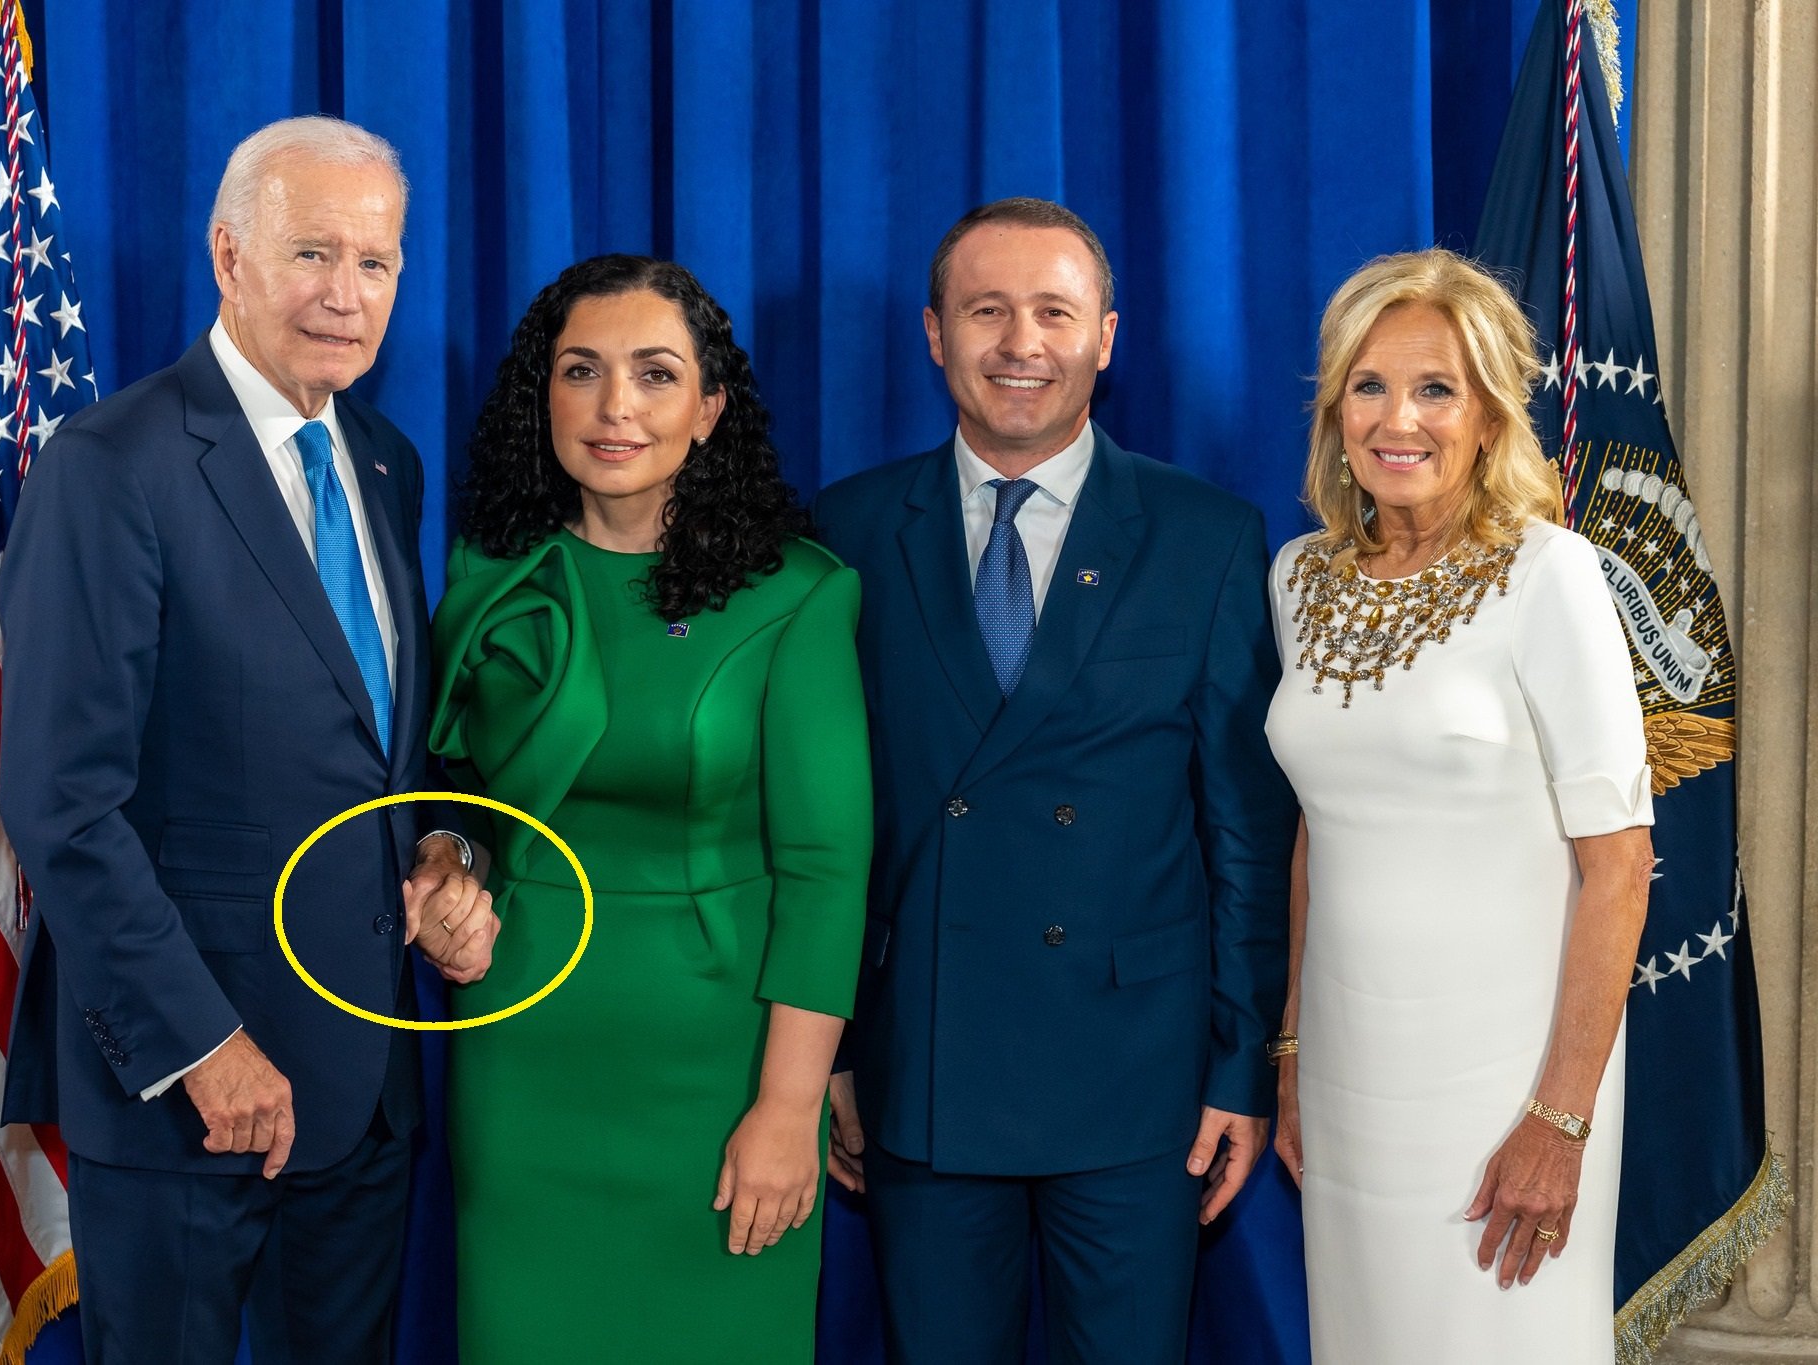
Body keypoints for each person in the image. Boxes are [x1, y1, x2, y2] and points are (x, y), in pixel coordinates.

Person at [0, 116, 497, 1365]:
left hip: (365, 1089)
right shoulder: (113, 464)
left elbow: (382, 746)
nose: (346, 295)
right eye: (312, 254)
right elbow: (65, 804)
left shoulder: (383, 462)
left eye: (375, 263)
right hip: (192, 1093)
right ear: (228, 256)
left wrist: (443, 854)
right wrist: (200, 1046)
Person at [814, 197, 1294, 1364]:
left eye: (1053, 313)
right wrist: (829, 1048)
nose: (1020, 343)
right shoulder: (846, 532)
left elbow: (1242, 834)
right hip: (923, 1056)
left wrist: (1240, 1065)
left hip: (1138, 1074)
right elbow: (824, 826)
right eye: (986, 311)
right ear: (934, 333)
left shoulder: (1204, 536)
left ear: (1105, 337)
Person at [426, 254, 871, 1363]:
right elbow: (451, 797)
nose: (613, 405)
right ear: (543, 398)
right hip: (522, 1044)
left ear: (709, 409)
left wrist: (788, 1109)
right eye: (581, 370)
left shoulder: (799, 592)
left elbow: (826, 872)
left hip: (723, 1062)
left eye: (655, 374)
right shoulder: (488, 573)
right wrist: (447, 869)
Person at [1265, 249, 1655, 1363]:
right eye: (1369, 385)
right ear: (1335, 409)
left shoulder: (1550, 574)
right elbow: (1317, 828)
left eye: (1435, 388)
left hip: (1508, 1078)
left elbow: (1618, 865)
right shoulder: (1297, 579)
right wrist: (1290, 1049)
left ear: (1488, 415)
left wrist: (1560, 1118)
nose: (1398, 419)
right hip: (1347, 1070)